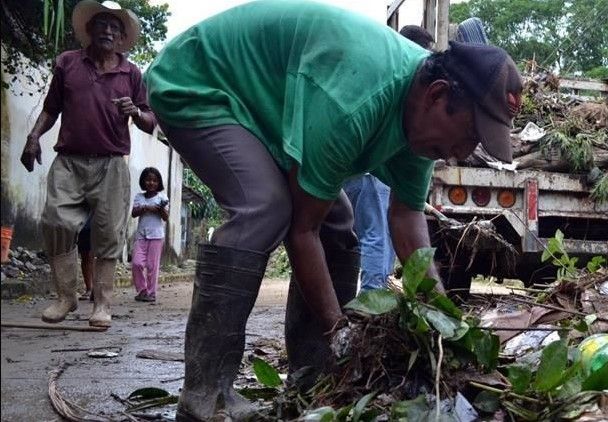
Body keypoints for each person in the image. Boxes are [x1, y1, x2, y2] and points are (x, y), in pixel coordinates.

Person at [144, 1, 521, 419]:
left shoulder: (426, 117)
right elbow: (301, 231)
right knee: (266, 208)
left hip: (269, 107)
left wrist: (440, 323)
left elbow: (406, 217)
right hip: (202, 82)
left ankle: (316, 380)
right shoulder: (356, 100)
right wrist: (341, 332)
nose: (461, 153)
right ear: (436, 96)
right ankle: (205, 395)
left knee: (340, 225)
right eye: (470, 134)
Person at [20, 0, 156, 328]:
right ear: (89, 31)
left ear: (122, 38)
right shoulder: (68, 63)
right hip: (69, 160)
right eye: (101, 25)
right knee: (56, 222)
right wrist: (33, 137)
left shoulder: (131, 72)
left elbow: (151, 121)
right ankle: (66, 296)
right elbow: (51, 109)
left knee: (108, 233)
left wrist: (135, 113)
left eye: (114, 27)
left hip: (110, 164)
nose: (107, 31)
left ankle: (102, 305)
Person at [343, 25, 435, 293]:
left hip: (353, 173)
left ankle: (359, 297)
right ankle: (372, 298)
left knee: (357, 235)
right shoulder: (404, 86)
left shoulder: (380, 73)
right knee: (376, 236)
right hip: (373, 175)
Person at [130, 167, 168, 302]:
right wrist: (146, 207)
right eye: (148, 180)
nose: (151, 183)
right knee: (136, 264)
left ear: (159, 183)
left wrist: (160, 209)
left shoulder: (162, 197)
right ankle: (142, 290)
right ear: (143, 182)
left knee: (152, 267)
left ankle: (151, 293)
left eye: (154, 180)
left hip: (156, 236)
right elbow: (134, 213)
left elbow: (165, 217)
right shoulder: (139, 197)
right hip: (141, 235)